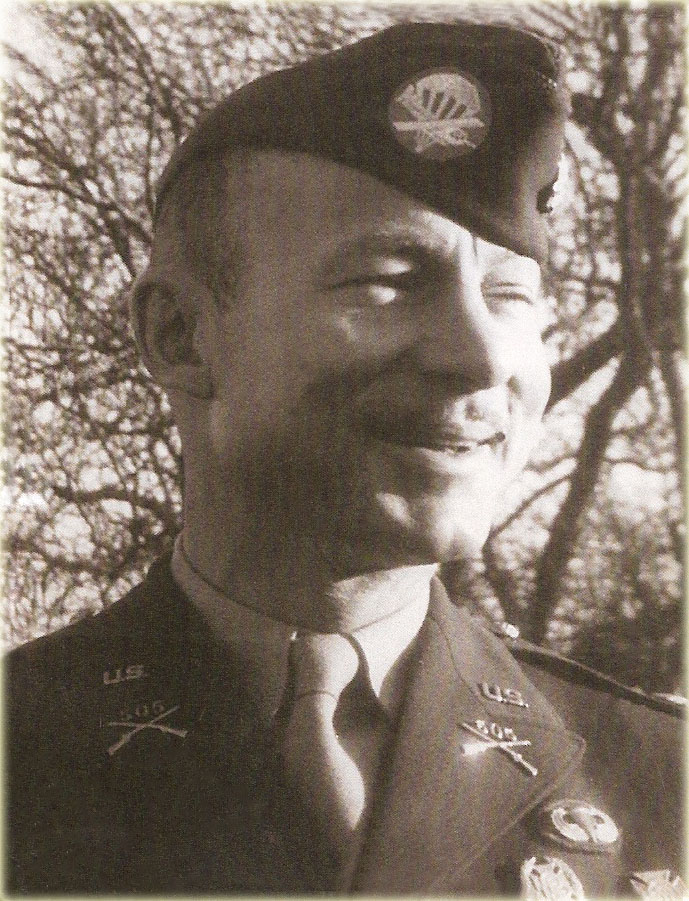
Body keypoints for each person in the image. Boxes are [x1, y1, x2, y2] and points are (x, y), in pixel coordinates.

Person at [6, 19, 684, 898]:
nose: (480, 357)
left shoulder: (658, 778)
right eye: (388, 280)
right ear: (179, 335)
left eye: (509, 294)